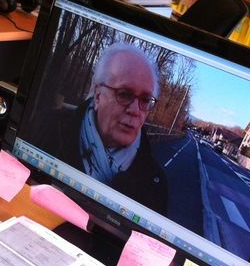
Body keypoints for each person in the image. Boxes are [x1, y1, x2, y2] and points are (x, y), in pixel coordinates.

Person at [41, 42, 168, 215]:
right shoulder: (48, 128)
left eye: (145, 100)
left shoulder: (154, 183)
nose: (135, 110)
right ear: (98, 95)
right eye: (124, 94)